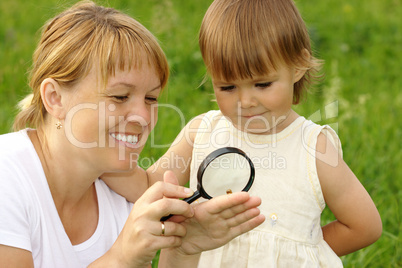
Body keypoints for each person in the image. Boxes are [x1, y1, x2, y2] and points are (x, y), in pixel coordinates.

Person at [102, 0, 383, 267]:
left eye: (262, 84)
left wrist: (303, 252)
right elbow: (149, 184)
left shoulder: (313, 147)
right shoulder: (203, 132)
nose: (245, 102)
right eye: (227, 87)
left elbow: (364, 226)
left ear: (297, 66)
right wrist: (96, 156)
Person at [0, 1, 266, 267]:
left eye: (151, 98)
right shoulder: (7, 177)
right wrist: (120, 257)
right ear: (55, 98)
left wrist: (185, 248)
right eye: (120, 96)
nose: (143, 116)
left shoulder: (119, 196)